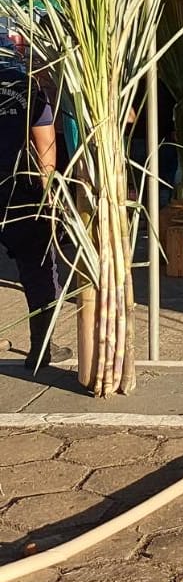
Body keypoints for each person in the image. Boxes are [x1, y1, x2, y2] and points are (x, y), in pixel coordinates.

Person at [0, 56, 70, 369]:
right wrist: (48, 192)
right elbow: (44, 143)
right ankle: (41, 347)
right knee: (38, 266)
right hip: (20, 186)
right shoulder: (26, 84)